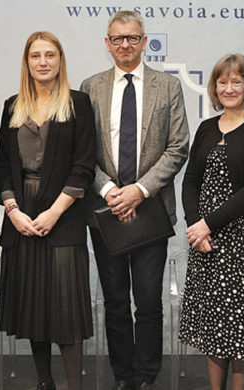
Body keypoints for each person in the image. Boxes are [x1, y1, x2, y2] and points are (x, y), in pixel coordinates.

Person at [80, 10, 190, 390]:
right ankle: (122, 377)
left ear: (144, 42)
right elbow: (83, 152)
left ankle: (146, 377)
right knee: (114, 303)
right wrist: (110, 190)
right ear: (107, 44)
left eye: (132, 38)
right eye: (117, 38)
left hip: (150, 210)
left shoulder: (168, 86)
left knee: (147, 304)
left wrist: (138, 190)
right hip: (105, 212)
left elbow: (178, 147)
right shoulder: (90, 87)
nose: (124, 44)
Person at [0, 31, 95, 390]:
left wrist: (55, 212)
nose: (43, 62)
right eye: (36, 56)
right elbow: (2, 167)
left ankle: (73, 385)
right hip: (21, 218)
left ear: (60, 60)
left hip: (63, 217)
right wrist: (13, 211)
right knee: (34, 306)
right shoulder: (11, 106)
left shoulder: (78, 104)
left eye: (50, 55)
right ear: (27, 62)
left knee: (67, 310)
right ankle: (43, 382)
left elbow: (84, 165)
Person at [178, 54, 244, 390]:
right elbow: (190, 181)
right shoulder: (206, 128)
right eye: (222, 81)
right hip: (205, 244)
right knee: (212, 325)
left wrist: (208, 224)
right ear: (214, 87)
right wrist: (196, 227)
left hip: (243, 242)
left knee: (241, 326)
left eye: (237, 81)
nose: (229, 88)